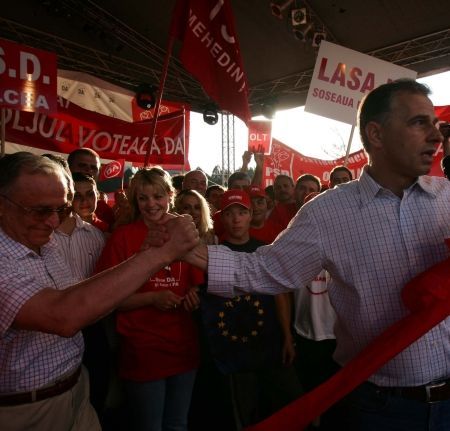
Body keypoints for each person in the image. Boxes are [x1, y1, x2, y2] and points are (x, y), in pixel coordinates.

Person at [182, 79, 450, 430]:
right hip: (380, 408)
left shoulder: (446, 197)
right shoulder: (327, 213)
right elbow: (266, 270)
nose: (436, 136)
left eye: (436, 125)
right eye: (419, 123)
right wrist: (188, 251)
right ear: (376, 134)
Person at [0, 152, 199, 431]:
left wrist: (143, 256)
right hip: (26, 410)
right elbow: (63, 316)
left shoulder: (48, 245)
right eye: (40, 211)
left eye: (63, 210)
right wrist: (159, 256)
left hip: (76, 391)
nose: (54, 223)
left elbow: (89, 306)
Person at [95, 167, 203, 431]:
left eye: (157, 196)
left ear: (169, 196)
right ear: (135, 201)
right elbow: (107, 298)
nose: (151, 204)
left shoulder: (185, 231)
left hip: (184, 346)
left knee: (178, 425)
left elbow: (199, 284)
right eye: (143, 198)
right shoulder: (123, 237)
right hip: (142, 349)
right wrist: (151, 298)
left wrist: (194, 294)